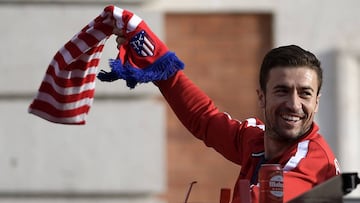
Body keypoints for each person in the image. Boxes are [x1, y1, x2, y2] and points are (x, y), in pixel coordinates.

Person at [111, 25, 340, 202]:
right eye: (282, 91)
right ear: (261, 97)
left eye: (305, 94)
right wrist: (158, 64)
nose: (294, 104)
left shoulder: (314, 160)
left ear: (316, 102)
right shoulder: (256, 140)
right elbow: (204, 118)